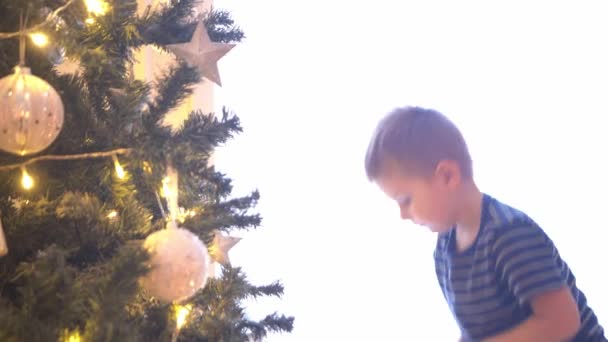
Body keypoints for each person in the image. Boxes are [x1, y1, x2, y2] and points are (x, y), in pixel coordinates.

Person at [364, 106, 606, 341]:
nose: (403, 215)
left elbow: (562, 322)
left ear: (447, 176)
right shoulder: (445, 249)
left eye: (406, 200)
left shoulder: (509, 234)